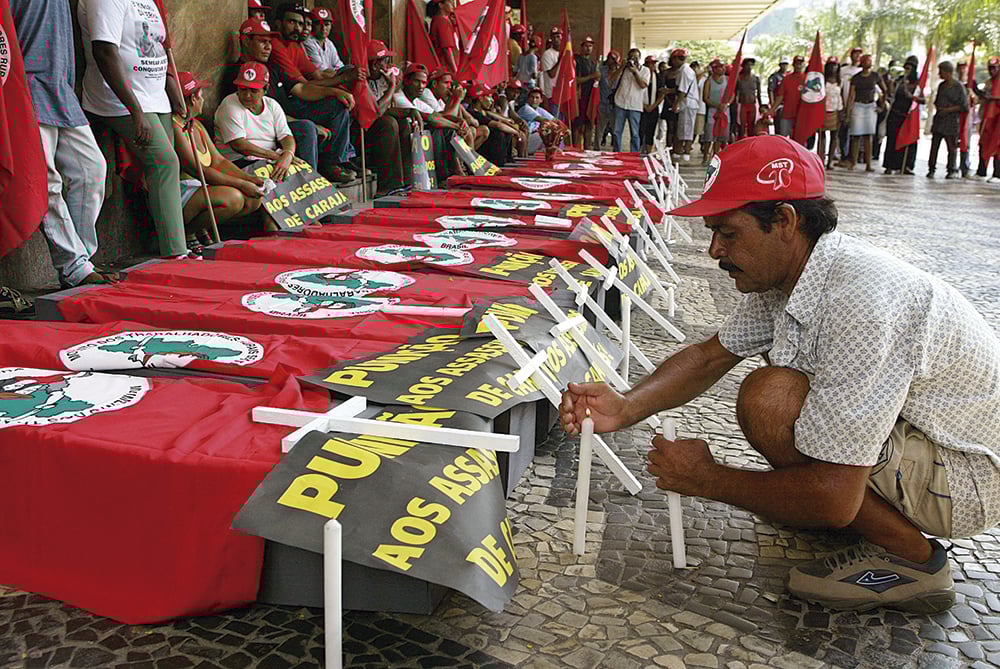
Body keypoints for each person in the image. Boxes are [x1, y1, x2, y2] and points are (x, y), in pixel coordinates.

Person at [560, 134, 1000, 615]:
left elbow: (833, 496)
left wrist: (707, 479)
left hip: (965, 479)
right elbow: (710, 357)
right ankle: (836, 513)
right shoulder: (799, 270)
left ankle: (915, 560)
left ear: (786, 221)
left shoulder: (859, 301)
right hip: (929, 444)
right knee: (775, 389)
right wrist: (626, 407)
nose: (713, 251)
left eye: (728, 234)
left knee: (771, 396)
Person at [11, 0, 116, 287]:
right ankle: (75, 267)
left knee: (92, 169)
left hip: (61, 88)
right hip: (27, 86)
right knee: (47, 180)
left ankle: (81, 260)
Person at [78, 0, 188, 259]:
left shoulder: (148, 1)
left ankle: (173, 239)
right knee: (164, 163)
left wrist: (174, 91)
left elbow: (161, 47)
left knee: (167, 168)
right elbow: (104, 51)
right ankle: (175, 252)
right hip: (121, 100)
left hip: (154, 97)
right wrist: (135, 110)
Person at [173, 72, 265, 252]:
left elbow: (219, 161)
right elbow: (199, 170)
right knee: (234, 198)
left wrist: (248, 179)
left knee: (254, 200)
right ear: (192, 99)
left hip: (201, 188)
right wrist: (241, 184)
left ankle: (200, 228)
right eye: (201, 95)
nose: (203, 99)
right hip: (183, 191)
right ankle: (188, 232)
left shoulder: (196, 125)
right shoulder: (175, 126)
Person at [267, 4, 357, 183]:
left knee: (340, 104)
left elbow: (315, 76)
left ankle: (337, 161)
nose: (298, 28)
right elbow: (303, 86)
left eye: (300, 24)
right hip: (290, 103)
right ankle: (324, 170)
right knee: (320, 116)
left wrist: (340, 85)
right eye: (292, 22)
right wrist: (338, 83)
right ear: (278, 24)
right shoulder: (275, 45)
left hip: (298, 96)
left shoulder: (295, 45)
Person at [214, 64, 302, 179]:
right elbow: (239, 145)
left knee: (300, 174)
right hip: (239, 162)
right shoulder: (229, 105)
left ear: (265, 89)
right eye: (243, 89)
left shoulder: (272, 105)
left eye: (254, 91)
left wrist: (288, 154)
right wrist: (277, 156)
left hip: (268, 158)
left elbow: (286, 136)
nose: (247, 96)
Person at [392, 64, 465, 179]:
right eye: (417, 82)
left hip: (417, 139)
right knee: (437, 130)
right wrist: (455, 125)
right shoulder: (399, 97)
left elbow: (436, 116)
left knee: (447, 131)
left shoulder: (416, 101)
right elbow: (431, 119)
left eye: (424, 83)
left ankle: (456, 170)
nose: (421, 86)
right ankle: (443, 176)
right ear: (406, 81)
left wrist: (457, 122)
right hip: (404, 143)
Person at [358, 40, 411, 196]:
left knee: (403, 123)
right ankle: (387, 186)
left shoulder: (376, 81)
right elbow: (376, 113)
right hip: (358, 136)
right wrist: (391, 88)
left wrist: (409, 112)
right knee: (389, 123)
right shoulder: (362, 80)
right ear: (375, 65)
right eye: (384, 62)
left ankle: (405, 182)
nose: (387, 66)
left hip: (372, 133)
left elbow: (385, 108)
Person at [425, 69, 489, 149]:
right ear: (434, 84)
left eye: (450, 84)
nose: (449, 87)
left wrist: (454, 99)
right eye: (446, 83)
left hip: (443, 133)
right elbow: (446, 118)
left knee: (472, 130)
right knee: (466, 131)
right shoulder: (426, 93)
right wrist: (457, 99)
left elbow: (470, 121)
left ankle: (469, 158)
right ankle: (469, 159)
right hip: (431, 135)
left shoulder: (440, 99)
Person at [927, 61, 969, 180]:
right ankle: (931, 168)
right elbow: (937, 100)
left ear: (948, 72)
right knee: (934, 146)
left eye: (941, 71)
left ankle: (951, 169)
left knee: (951, 147)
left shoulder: (958, 87)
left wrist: (949, 109)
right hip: (939, 120)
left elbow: (964, 106)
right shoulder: (941, 86)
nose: (940, 74)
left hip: (951, 122)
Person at [846, 54, 887, 171]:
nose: (868, 63)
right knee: (856, 135)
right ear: (862, 63)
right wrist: (848, 112)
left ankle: (868, 164)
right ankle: (853, 162)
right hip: (858, 105)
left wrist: (881, 106)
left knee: (868, 136)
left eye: (870, 61)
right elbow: (851, 96)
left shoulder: (875, 76)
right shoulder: (856, 77)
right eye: (866, 61)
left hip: (870, 106)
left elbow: (884, 90)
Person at [882, 55, 921, 175]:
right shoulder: (899, 80)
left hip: (908, 115)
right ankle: (889, 165)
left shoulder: (918, 83)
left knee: (908, 142)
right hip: (895, 113)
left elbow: (922, 99)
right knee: (892, 139)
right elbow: (892, 93)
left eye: (910, 68)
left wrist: (912, 96)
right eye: (906, 68)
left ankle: (906, 165)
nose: (907, 70)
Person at [466, 84, 520, 167]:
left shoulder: (486, 112)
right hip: (483, 152)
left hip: (495, 155)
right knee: (499, 133)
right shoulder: (473, 112)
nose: (492, 100)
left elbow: (501, 121)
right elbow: (498, 125)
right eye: (489, 97)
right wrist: (517, 133)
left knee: (507, 132)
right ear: (480, 98)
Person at [611, 48, 652, 153]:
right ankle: (617, 152)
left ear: (640, 58)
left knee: (634, 133)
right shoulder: (623, 69)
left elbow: (643, 85)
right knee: (616, 131)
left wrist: (635, 72)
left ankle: (634, 154)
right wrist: (622, 67)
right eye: (631, 57)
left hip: (635, 106)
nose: (633, 59)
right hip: (620, 102)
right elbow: (612, 79)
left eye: (636, 57)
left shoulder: (645, 70)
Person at [972, 57, 1000, 183]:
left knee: (997, 146)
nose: (992, 71)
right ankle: (981, 171)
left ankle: (997, 174)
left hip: (997, 120)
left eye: (994, 68)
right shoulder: (989, 82)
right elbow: (983, 96)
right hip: (986, 118)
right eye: (990, 68)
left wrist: (993, 98)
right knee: (983, 143)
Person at [838, 47, 864, 165]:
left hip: (858, 106)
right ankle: (843, 156)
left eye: (859, 54)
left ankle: (852, 157)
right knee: (842, 131)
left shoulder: (863, 72)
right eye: (855, 54)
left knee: (855, 133)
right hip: (843, 104)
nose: (857, 56)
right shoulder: (843, 70)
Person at [672, 49, 700, 161]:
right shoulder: (685, 70)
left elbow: (683, 90)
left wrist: (676, 103)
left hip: (688, 102)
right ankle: (682, 151)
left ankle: (684, 152)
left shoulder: (684, 71)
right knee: (684, 128)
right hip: (688, 102)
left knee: (686, 129)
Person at [574, 36, 600, 150]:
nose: (588, 48)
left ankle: (587, 149)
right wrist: (591, 76)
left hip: (590, 98)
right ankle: (575, 149)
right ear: (581, 47)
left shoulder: (593, 63)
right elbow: (575, 80)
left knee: (589, 124)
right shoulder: (576, 60)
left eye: (590, 46)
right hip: (579, 97)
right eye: (586, 46)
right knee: (577, 125)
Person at [702, 58, 729, 162]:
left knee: (720, 136)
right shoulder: (708, 81)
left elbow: (732, 95)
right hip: (712, 112)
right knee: (709, 135)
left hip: (725, 111)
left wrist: (726, 104)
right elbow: (705, 98)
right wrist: (717, 105)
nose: (722, 69)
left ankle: (716, 157)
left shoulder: (727, 80)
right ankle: (705, 156)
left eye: (723, 67)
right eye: (719, 67)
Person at [773, 55, 805, 139]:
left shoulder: (807, 79)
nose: (799, 66)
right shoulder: (786, 79)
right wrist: (772, 110)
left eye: (801, 64)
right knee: (783, 140)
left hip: (800, 116)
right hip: (787, 114)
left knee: (798, 141)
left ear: (803, 65)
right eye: (797, 63)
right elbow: (780, 96)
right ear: (793, 64)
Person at [819, 58, 843, 169]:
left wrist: (841, 111)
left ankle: (830, 162)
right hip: (823, 111)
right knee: (822, 136)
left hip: (835, 110)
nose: (833, 68)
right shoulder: (822, 80)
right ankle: (821, 159)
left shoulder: (839, 81)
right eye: (831, 65)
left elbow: (840, 97)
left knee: (834, 137)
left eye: (835, 65)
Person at [302, 7, 343, 72]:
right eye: (318, 24)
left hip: (331, 79)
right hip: (317, 81)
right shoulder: (308, 41)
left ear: (331, 26)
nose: (323, 28)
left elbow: (339, 65)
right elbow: (322, 71)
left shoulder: (329, 43)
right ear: (312, 25)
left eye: (326, 24)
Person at [519, 87, 557, 155]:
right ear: (528, 99)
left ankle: (550, 152)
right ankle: (548, 152)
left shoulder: (539, 109)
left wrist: (563, 128)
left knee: (553, 129)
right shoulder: (526, 108)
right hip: (522, 140)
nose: (534, 100)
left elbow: (555, 121)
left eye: (537, 98)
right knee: (547, 131)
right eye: (532, 97)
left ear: (541, 100)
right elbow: (543, 120)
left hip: (531, 138)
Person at [640, 56, 666, 155]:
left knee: (651, 131)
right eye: (651, 63)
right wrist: (644, 105)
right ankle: (640, 150)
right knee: (641, 130)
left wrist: (653, 106)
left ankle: (648, 152)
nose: (653, 66)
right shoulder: (641, 75)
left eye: (654, 64)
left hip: (653, 107)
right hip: (641, 107)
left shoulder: (658, 78)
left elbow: (661, 94)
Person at [595, 50, 621, 148]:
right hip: (602, 103)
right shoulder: (602, 70)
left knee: (615, 130)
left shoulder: (621, 72)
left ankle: (616, 149)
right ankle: (596, 149)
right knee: (599, 129)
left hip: (615, 105)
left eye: (613, 59)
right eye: (610, 58)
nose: (611, 61)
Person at [427, 0, 461, 74]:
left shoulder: (439, 20)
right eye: (449, 2)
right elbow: (447, 49)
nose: (452, 5)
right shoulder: (441, 22)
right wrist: (455, 71)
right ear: (441, 5)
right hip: (447, 69)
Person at [956, 62, 975, 179]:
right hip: (955, 116)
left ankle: (965, 167)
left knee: (965, 142)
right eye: (960, 68)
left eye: (964, 68)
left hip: (967, 116)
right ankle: (952, 166)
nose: (962, 70)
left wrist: (972, 94)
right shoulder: (955, 84)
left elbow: (977, 99)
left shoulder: (972, 83)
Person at [736, 58, 761, 141]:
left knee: (751, 126)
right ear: (743, 66)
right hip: (742, 105)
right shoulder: (739, 78)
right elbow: (735, 93)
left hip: (752, 104)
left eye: (751, 65)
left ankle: (751, 144)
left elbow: (759, 94)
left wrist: (761, 106)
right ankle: (740, 144)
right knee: (741, 127)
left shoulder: (756, 79)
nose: (749, 67)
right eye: (747, 65)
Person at [539, 27, 563, 115]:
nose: (556, 39)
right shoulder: (547, 54)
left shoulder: (566, 53)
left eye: (558, 36)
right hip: (552, 95)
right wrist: (560, 60)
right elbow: (551, 74)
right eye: (554, 37)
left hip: (563, 94)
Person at [694, 61, 709, 160]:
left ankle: (704, 147)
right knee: (696, 130)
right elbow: (696, 82)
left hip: (710, 110)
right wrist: (703, 72)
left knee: (706, 131)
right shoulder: (702, 79)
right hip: (701, 108)